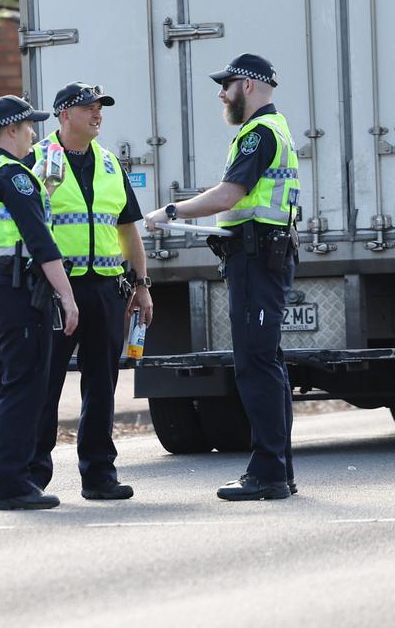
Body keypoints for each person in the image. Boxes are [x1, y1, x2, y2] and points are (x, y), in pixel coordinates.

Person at [144, 53, 299, 501]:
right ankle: (277, 469)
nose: (221, 93)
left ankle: (268, 472)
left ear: (248, 86)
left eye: (226, 85)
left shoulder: (258, 135)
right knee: (265, 364)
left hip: (257, 260)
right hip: (260, 257)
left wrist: (172, 210)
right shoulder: (275, 129)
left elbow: (230, 194)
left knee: (255, 366)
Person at [26, 82, 152, 501]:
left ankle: (99, 475)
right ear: (64, 114)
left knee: (101, 385)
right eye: (88, 109)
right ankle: (32, 475)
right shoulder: (36, 160)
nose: (97, 115)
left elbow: (128, 229)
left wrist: (142, 285)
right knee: (45, 384)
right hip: (57, 288)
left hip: (104, 287)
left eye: (100, 109)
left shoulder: (111, 164)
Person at [0, 95, 80, 511]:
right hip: (16, 290)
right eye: (29, 126)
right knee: (24, 387)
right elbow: (41, 242)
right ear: (12, 129)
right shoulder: (14, 175)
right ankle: (13, 485)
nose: (34, 133)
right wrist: (67, 296)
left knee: (1, 386)